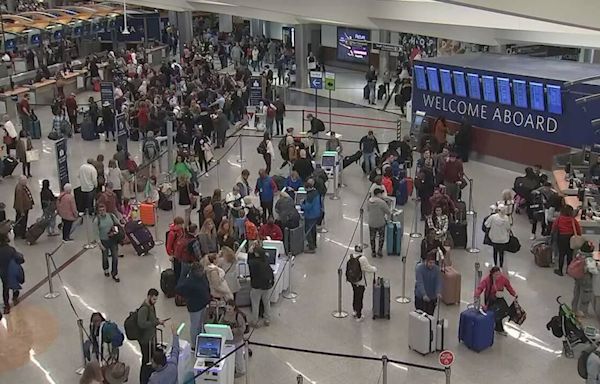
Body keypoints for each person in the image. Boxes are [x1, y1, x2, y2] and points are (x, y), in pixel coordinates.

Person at [474, 266, 518, 336]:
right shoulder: (487, 280)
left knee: (502, 313)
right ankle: (493, 328)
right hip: (490, 299)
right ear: (492, 274)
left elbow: (508, 287)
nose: (498, 276)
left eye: (499, 274)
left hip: (499, 298)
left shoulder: (503, 279)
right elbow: (480, 287)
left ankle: (497, 328)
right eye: (496, 274)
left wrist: (514, 294)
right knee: (491, 314)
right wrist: (477, 294)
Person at [175, 261, 211, 347]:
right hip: (195, 307)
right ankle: (194, 344)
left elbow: (207, 286)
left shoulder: (202, 276)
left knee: (201, 323)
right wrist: (188, 296)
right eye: (200, 271)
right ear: (195, 271)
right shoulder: (189, 281)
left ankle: (200, 339)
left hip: (203, 303)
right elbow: (178, 289)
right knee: (195, 325)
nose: (202, 272)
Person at [137, 288, 167, 384]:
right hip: (146, 340)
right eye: (154, 299)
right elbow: (141, 324)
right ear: (149, 296)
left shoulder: (151, 306)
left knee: (151, 360)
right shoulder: (144, 309)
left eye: (156, 299)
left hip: (151, 339)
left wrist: (158, 321)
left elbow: (152, 319)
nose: (155, 301)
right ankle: (144, 381)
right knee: (146, 362)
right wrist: (155, 322)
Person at [219, 300, 247, 377]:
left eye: (229, 309)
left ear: (234, 307)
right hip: (227, 340)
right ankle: (229, 369)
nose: (228, 311)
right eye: (226, 309)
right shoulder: (224, 314)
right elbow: (220, 323)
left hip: (237, 339)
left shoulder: (238, 316)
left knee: (239, 356)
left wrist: (234, 330)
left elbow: (243, 328)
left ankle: (240, 371)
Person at [248, 245, 274, 327]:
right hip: (266, 285)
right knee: (266, 302)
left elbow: (248, 262)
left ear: (256, 253)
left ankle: (255, 321)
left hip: (256, 286)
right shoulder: (265, 260)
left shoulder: (254, 263)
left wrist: (250, 253)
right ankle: (267, 319)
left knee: (255, 304)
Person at [94, 203, 121, 282]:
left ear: (105, 209)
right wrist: (100, 244)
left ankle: (114, 273)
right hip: (104, 241)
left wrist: (118, 231)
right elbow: (96, 233)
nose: (102, 212)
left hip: (113, 240)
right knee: (105, 256)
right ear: (98, 212)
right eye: (100, 211)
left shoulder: (111, 216)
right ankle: (106, 269)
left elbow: (118, 224)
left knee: (115, 257)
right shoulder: (97, 220)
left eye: (103, 210)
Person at [552, 205, 582, 276]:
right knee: (569, 255)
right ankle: (568, 270)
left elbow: (554, 227)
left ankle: (560, 270)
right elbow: (578, 230)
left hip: (561, 237)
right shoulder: (572, 220)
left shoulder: (559, 219)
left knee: (561, 254)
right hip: (571, 238)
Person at [0, 231, 24, 314]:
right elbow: (20, 259)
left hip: (3, 273)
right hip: (12, 271)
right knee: (15, 286)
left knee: (5, 288)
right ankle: (15, 297)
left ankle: (6, 306)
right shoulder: (11, 250)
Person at [349, 252, 377, 322]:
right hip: (360, 281)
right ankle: (359, 315)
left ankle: (354, 310)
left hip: (353, 280)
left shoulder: (350, 256)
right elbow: (368, 268)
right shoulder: (362, 259)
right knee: (359, 298)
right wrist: (374, 268)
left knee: (355, 295)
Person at [572, 241, 596, 318]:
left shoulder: (578, 254)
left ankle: (574, 309)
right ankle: (583, 311)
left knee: (577, 293)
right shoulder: (589, 259)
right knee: (586, 294)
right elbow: (593, 270)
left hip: (577, 277)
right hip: (586, 278)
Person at [367, 188, 391, 258]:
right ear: (378, 194)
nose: (382, 195)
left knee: (372, 237)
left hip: (371, 222)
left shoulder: (369, 201)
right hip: (380, 222)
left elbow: (368, 209)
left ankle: (373, 252)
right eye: (381, 193)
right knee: (381, 237)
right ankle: (379, 250)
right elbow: (388, 212)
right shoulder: (382, 203)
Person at [301, 179, 321, 253]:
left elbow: (308, 207)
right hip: (316, 214)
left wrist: (301, 204)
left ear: (308, 188)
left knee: (308, 231)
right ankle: (314, 244)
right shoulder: (316, 192)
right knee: (313, 230)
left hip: (310, 215)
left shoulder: (310, 195)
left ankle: (311, 247)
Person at [13, 175, 33, 240]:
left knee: (20, 220)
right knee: (22, 221)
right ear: (21, 181)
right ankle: (22, 234)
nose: (26, 182)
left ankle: (19, 232)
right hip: (23, 208)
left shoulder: (22, 186)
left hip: (24, 207)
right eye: (25, 181)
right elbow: (20, 201)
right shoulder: (19, 189)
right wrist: (22, 211)